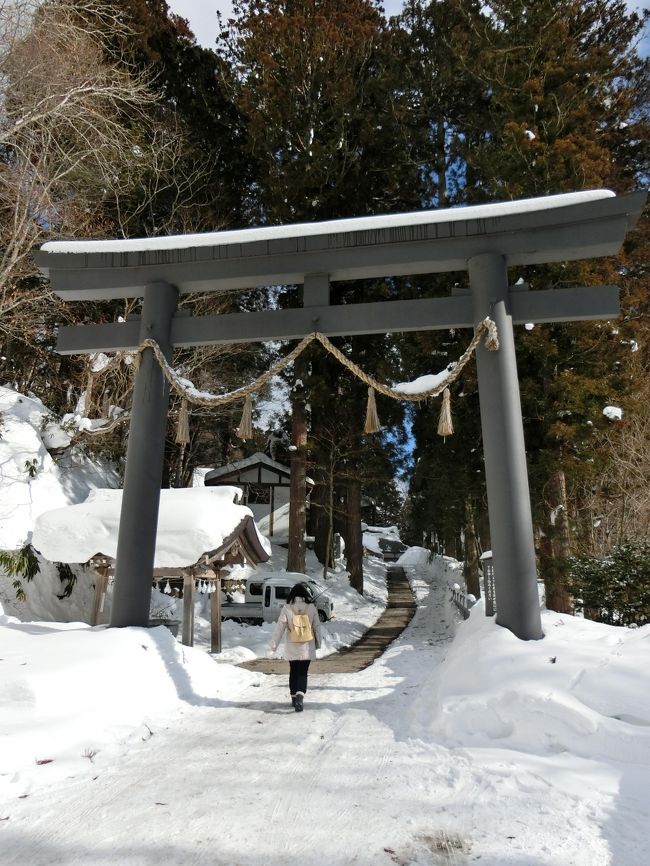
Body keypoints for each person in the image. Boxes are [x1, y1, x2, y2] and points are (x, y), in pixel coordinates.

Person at [270, 582, 321, 712]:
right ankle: (300, 696)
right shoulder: (311, 608)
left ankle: (294, 698)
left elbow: (279, 627)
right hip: (307, 645)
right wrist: (318, 643)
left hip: (292, 645)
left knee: (293, 671)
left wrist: (274, 644)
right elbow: (317, 627)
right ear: (305, 595)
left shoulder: (287, 608)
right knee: (303, 672)